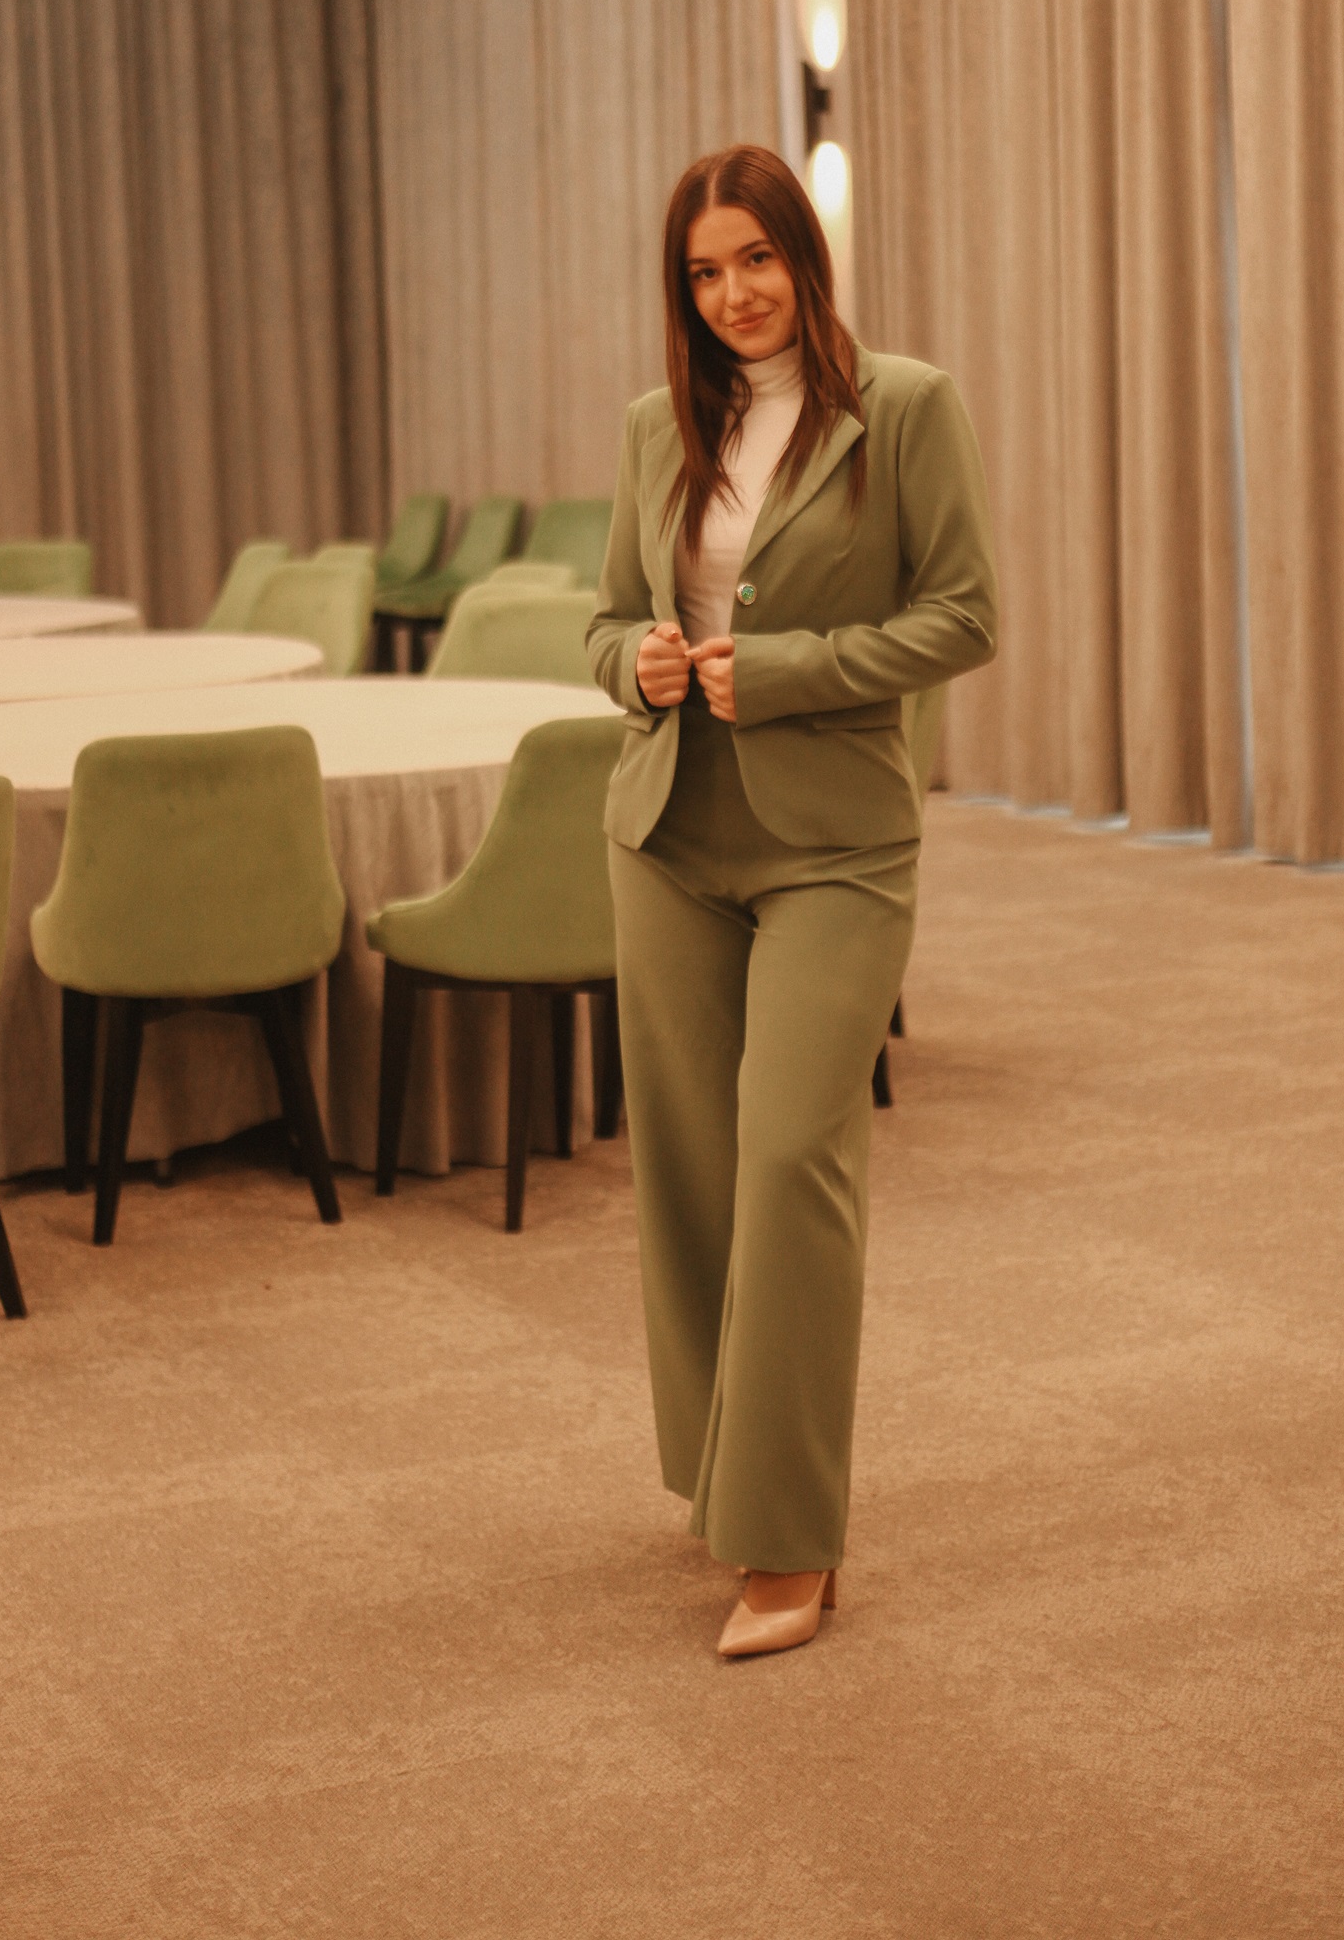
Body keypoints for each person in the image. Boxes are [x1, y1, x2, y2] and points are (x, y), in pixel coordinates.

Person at [587, 143, 998, 1659]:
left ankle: (790, 1538)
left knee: (789, 1159)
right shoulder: (657, 426)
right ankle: (724, 1475)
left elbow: (963, 616)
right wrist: (633, 660)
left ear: (802, 257)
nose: (733, 293)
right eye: (703, 271)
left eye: (755, 258)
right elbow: (603, 617)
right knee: (692, 1170)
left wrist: (785, 673)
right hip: (669, 831)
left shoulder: (905, 407)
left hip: (834, 841)